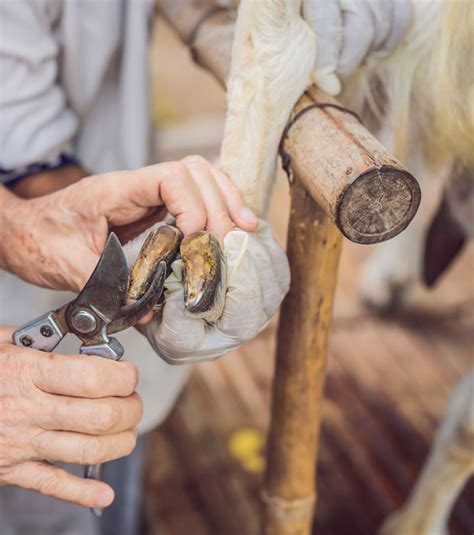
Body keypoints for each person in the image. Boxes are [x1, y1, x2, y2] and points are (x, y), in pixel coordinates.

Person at [0, 1, 411, 533]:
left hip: (71, 378)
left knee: (100, 481)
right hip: (24, 391)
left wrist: (21, 228)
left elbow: (22, 140)